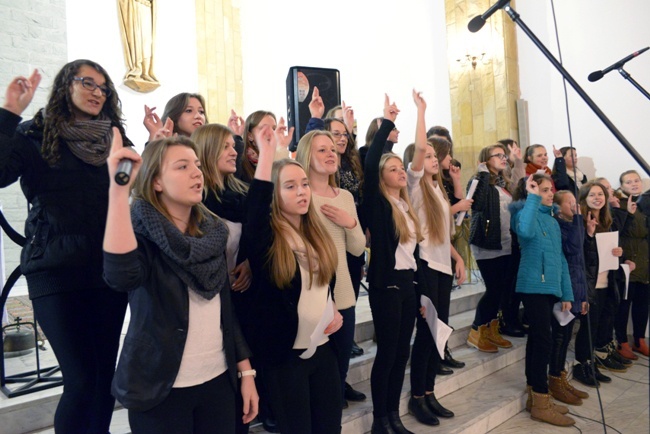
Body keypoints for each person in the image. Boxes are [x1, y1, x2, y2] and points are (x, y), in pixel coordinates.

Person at [0, 60, 130, 433]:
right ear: (65, 86)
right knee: (80, 380)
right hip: (55, 271)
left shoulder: (115, 136)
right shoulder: (36, 133)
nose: (96, 92)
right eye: (87, 83)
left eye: (103, 88)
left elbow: (127, 188)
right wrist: (9, 113)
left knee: (105, 378)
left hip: (107, 272)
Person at [103, 134, 258, 433]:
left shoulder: (213, 233)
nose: (197, 173)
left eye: (197, 165)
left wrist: (246, 370)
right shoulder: (142, 236)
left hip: (217, 382)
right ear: (157, 181)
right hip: (160, 388)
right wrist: (118, 193)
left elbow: (226, 311)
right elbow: (120, 276)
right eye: (182, 166)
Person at [245, 120, 343, 434]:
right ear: (274, 194)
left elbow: (325, 283)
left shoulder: (314, 231)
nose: (301, 191)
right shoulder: (267, 239)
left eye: (303, 184)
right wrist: (266, 154)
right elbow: (255, 211)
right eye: (290, 186)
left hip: (323, 348)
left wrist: (333, 310)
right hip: (286, 357)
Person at [191, 123, 259, 433]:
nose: (236, 152)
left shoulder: (242, 192)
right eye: (227, 147)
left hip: (243, 295)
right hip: (208, 300)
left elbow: (258, 237)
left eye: (235, 146)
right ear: (207, 151)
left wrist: (249, 262)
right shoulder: (196, 200)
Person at [295, 129, 366, 408]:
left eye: (332, 149)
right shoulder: (302, 196)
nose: (330, 154)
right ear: (306, 156)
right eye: (321, 150)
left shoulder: (345, 196)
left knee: (340, 369)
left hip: (345, 293)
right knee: (317, 376)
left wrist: (349, 223)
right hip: (313, 296)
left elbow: (357, 248)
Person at [362, 95, 421, 434]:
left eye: (401, 167)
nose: (400, 172)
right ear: (382, 176)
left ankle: (394, 416)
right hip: (386, 285)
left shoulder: (405, 206)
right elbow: (370, 164)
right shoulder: (379, 204)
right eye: (393, 169)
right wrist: (386, 122)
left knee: (402, 354)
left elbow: (413, 256)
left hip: (408, 283)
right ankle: (380, 421)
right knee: (387, 354)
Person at [407, 91, 463, 427]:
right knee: (427, 333)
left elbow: (446, 230)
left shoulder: (439, 189)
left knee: (438, 332)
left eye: (433, 155)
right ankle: (417, 397)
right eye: (425, 155)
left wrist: (456, 257)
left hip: (442, 266)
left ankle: (429, 392)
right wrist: (421, 112)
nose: (430, 159)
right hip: (426, 266)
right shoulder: (416, 187)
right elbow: (417, 150)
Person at [510, 173, 575, 427]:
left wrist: (566, 293)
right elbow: (524, 231)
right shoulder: (523, 215)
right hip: (532, 285)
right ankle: (540, 398)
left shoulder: (553, 222)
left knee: (538, 340)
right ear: (530, 192)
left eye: (550, 190)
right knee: (544, 340)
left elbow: (560, 260)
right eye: (543, 190)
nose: (549, 193)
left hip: (550, 287)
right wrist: (532, 198)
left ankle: (535, 397)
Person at [572, 181, 634, 386]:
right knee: (587, 328)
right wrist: (589, 235)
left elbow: (613, 249)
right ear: (584, 198)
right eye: (592, 195)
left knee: (599, 325)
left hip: (607, 280)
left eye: (600, 194)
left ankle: (592, 364)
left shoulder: (608, 220)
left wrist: (619, 253)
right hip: (589, 283)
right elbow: (577, 253)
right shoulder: (579, 221)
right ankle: (582, 365)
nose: (597, 198)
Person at [466, 144, 515, 353]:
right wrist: (483, 174)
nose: (503, 158)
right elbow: (477, 205)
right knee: (493, 290)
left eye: (504, 155)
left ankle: (491, 330)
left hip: (505, 243)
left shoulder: (504, 183)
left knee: (502, 290)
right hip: (487, 244)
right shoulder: (478, 180)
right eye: (498, 155)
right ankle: (477, 330)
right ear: (486, 160)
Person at [549, 190, 590, 405]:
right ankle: (554, 379)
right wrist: (579, 220)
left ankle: (561, 377)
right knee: (559, 336)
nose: (575, 206)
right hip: (562, 288)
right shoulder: (560, 226)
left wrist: (583, 296)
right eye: (570, 203)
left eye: (576, 202)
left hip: (575, 286)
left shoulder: (573, 225)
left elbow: (580, 264)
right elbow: (573, 249)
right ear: (558, 206)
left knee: (566, 337)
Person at [614, 170, 649, 358]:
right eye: (629, 182)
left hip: (645, 261)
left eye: (636, 180)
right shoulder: (618, 205)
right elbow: (617, 232)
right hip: (627, 260)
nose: (634, 184)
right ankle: (622, 342)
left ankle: (639, 340)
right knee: (624, 305)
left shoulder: (645, 205)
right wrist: (627, 214)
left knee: (643, 304)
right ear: (622, 186)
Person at [236, 110, 292, 183]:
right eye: (264, 128)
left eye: (274, 129)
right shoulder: (240, 163)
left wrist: (282, 148)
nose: (271, 133)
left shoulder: (280, 156)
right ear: (250, 136)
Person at [143, 92, 208, 141]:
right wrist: (154, 134)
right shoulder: (166, 148)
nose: (198, 116)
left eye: (201, 112)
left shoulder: (213, 146)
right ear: (175, 116)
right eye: (189, 111)